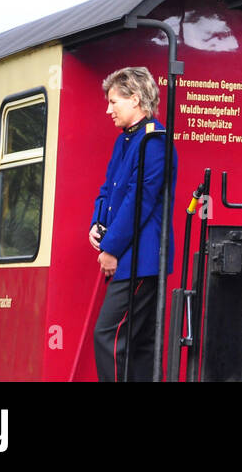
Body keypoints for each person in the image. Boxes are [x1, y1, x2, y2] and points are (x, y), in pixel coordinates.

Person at [90, 67, 177, 382]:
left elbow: (139, 200)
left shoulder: (154, 142)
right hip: (131, 257)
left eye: (114, 102)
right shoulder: (125, 141)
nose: (108, 109)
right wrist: (98, 223)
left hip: (142, 260)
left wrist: (111, 248)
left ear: (136, 99)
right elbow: (109, 189)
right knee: (139, 345)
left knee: (108, 336)